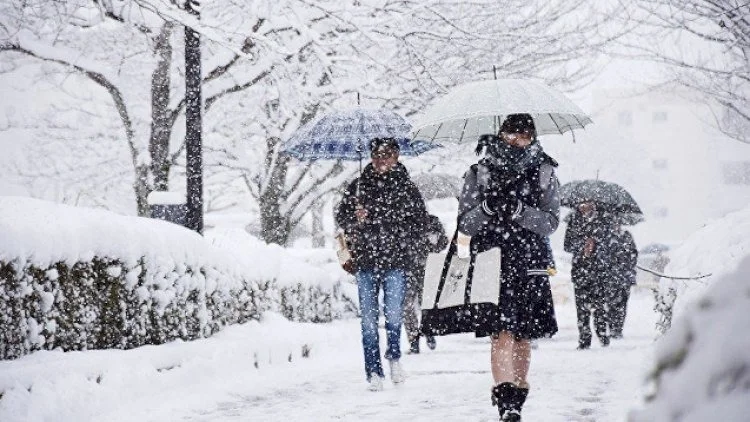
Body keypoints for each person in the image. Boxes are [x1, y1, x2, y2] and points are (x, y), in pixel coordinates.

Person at [456, 114, 560, 421]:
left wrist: (519, 211)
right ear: (500, 135)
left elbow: (550, 223)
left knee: (523, 335)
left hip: (530, 261)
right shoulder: (480, 172)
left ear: (532, 136)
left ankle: (518, 395)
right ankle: (505, 402)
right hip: (492, 260)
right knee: (500, 333)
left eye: (523, 135)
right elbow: (465, 223)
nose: (516, 141)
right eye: (510, 135)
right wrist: (487, 208)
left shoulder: (545, 171)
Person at [335, 137, 428, 392]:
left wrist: (387, 220)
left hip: (396, 261)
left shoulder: (407, 188)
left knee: (394, 315)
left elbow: (420, 221)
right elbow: (341, 216)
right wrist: (355, 217)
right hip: (365, 261)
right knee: (368, 320)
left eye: (386, 155)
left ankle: (395, 356)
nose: (381, 160)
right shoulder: (358, 186)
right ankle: (373, 371)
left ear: (396, 157)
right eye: (376, 155)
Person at [563, 202, 618, 349]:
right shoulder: (574, 221)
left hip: (599, 272)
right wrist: (582, 245)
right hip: (580, 272)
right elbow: (567, 245)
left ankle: (602, 335)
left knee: (599, 306)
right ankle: (584, 338)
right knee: (582, 309)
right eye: (582, 204)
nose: (584, 207)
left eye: (588, 204)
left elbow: (610, 245)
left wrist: (595, 244)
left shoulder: (603, 221)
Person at [403, 214, 449, 354]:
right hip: (409, 268)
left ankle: (426, 332)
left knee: (423, 303)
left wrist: (432, 244)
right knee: (408, 305)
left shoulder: (431, 221)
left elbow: (443, 241)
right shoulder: (402, 221)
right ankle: (415, 339)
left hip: (425, 268)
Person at [607, 225, 638, 338]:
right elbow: (605, 254)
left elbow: (634, 253)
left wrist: (627, 262)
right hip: (611, 277)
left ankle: (618, 328)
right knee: (612, 303)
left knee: (623, 304)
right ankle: (612, 328)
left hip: (625, 277)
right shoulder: (607, 236)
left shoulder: (627, 235)